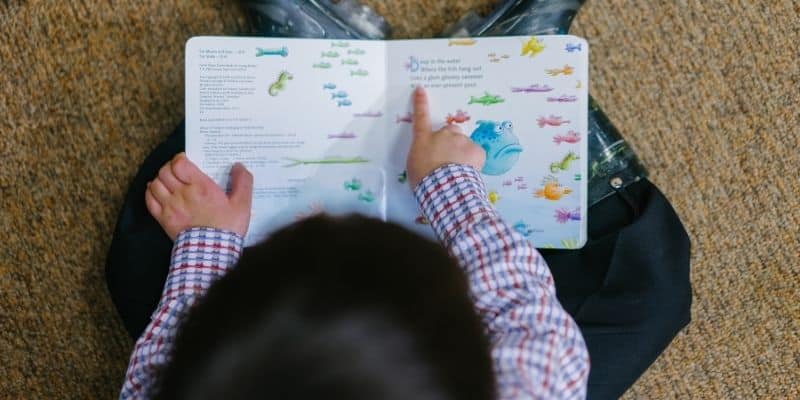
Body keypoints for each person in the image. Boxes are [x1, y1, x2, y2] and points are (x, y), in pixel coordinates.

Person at [118, 87, 590, 399]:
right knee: (648, 277)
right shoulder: (530, 381)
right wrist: (448, 184)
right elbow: (529, 315)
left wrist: (208, 242)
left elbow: (155, 369)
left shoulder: (170, 385)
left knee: (142, 247)